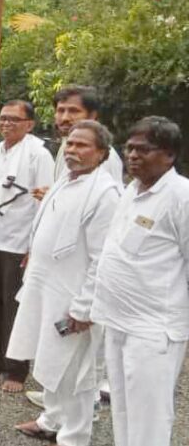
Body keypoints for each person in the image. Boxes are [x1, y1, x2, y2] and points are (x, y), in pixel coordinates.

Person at [7, 121, 121, 445]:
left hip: (75, 297)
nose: (72, 150)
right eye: (69, 144)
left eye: (82, 145)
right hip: (46, 285)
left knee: (76, 373)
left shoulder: (105, 193)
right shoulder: (65, 181)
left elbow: (103, 258)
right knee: (50, 360)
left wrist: (84, 307)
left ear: (101, 153)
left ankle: (74, 436)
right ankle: (51, 420)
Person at [90, 116, 189, 446]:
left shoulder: (181, 197)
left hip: (154, 329)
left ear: (170, 155)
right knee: (122, 410)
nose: (132, 156)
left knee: (149, 418)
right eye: (129, 148)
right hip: (116, 321)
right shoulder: (131, 190)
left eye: (143, 150)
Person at [0, 100, 54, 392]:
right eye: (3, 118)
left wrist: (33, 245)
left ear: (30, 124)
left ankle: (16, 369)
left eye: (14, 119)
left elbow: (45, 200)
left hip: (20, 239)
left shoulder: (38, 153)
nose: (7, 124)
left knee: (15, 305)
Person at [48, 86, 123, 186]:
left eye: (73, 111)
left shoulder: (102, 155)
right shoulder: (66, 145)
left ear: (92, 115)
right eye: (61, 111)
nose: (65, 118)